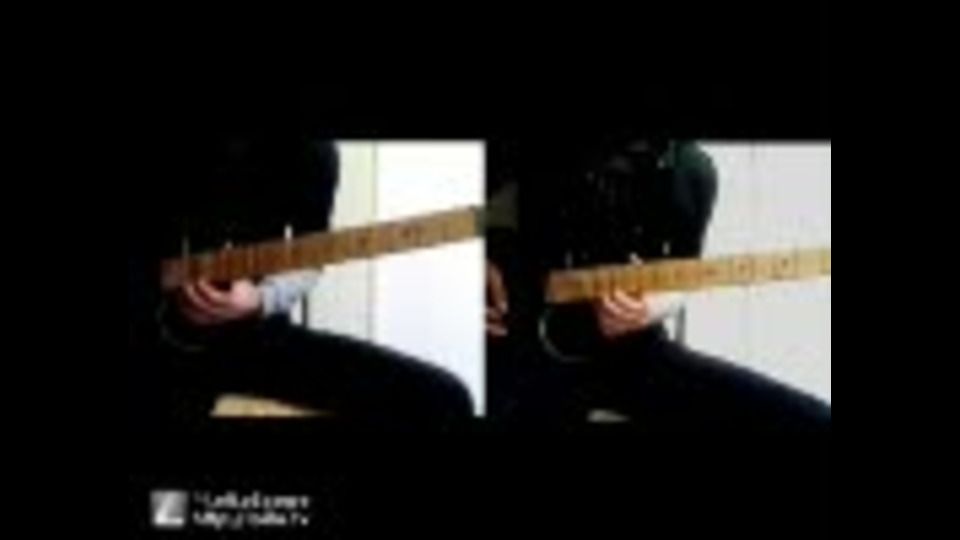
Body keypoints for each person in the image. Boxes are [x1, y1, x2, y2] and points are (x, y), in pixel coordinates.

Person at [128, 129, 474, 431]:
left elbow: (312, 259)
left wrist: (261, 298)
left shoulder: (314, 151)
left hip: (255, 337)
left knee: (446, 399)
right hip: (153, 339)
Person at [485, 138, 831, 430]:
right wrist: (473, 267)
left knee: (809, 418)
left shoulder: (693, 169)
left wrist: (650, 308)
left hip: (634, 353)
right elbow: (460, 202)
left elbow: (683, 278)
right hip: (518, 341)